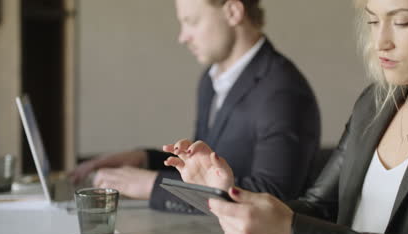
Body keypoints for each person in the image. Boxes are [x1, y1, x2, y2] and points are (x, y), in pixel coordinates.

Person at [163, 0, 408, 234]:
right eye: (373, 21)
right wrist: (232, 200)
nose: (381, 41)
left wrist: (292, 233)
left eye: (401, 22)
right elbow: (319, 207)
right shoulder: (373, 103)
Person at [69, 0, 320, 213]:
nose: (182, 37)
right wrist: (144, 158)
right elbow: (202, 168)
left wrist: (153, 185)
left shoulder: (283, 90)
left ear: (233, 12)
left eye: (192, 21)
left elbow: (273, 195)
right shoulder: (210, 81)